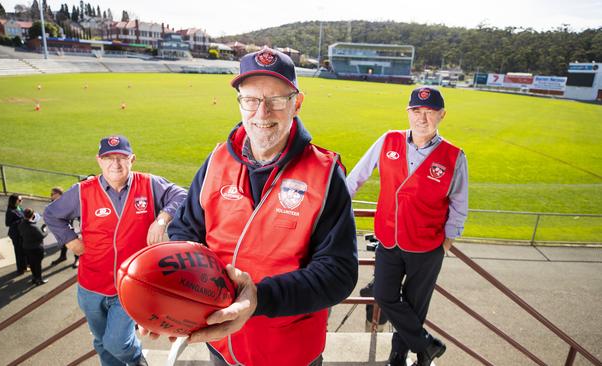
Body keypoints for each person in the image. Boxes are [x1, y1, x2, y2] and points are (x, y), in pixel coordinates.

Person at [165, 48, 359, 366]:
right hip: (222, 344)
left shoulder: (325, 173)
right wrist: (171, 290)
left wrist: (258, 298)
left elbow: (338, 272)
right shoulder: (216, 160)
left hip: (292, 351)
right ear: (240, 103)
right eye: (252, 100)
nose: (262, 113)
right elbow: (185, 231)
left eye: (276, 100)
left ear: (296, 103)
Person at [345, 86, 468, 366]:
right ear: (408, 112)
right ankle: (426, 345)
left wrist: (446, 243)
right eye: (416, 111)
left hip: (427, 246)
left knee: (415, 304)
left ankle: (399, 356)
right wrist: (333, 207)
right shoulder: (388, 140)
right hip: (388, 239)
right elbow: (355, 179)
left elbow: (460, 204)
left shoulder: (454, 156)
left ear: (441, 115)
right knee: (383, 295)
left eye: (429, 112)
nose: (421, 118)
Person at [43, 135, 187, 366]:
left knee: (116, 342)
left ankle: (138, 361)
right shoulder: (83, 191)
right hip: (91, 286)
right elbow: (51, 214)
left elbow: (181, 195)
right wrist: (69, 240)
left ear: (132, 159)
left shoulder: (149, 184)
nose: (115, 164)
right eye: (109, 158)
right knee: (101, 342)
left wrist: (161, 219)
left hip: (130, 285)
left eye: (121, 157)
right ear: (99, 161)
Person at [48, 187, 79, 269]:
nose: (50, 195)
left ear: (59, 195)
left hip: (67, 226)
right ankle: (63, 256)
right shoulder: (53, 203)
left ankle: (78, 259)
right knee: (63, 242)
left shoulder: (67, 202)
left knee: (74, 243)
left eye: (52, 194)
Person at [18, 208, 48, 285]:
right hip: (36, 248)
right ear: (32, 215)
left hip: (27, 247)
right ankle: (39, 279)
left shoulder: (21, 224)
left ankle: (34, 278)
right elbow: (42, 236)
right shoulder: (33, 227)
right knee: (37, 264)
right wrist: (44, 230)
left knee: (31, 264)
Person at [5, 193, 27, 274]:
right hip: (16, 234)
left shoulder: (19, 207)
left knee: (24, 250)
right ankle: (20, 269)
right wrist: (21, 220)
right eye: (20, 200)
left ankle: (25, 266)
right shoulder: (10, 211)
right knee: (19, 251)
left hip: (22, 233)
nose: (21, 201)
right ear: (15, 201)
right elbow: (8, 223)